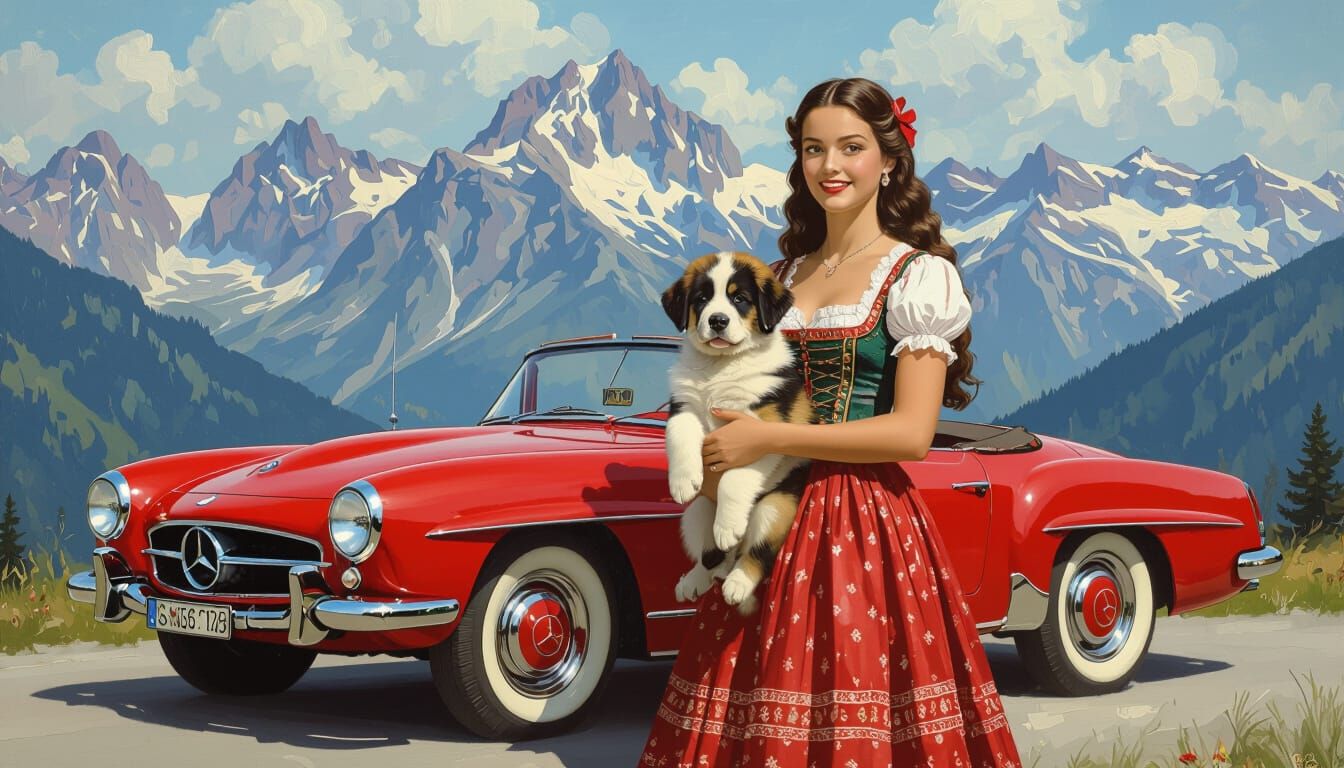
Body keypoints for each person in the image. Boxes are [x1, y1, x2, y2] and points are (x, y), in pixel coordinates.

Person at [638, 78, 1023, 767]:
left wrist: (769, 437)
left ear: (890, 160)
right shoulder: (777, 273)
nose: (830, 166)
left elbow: (911, 434)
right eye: (814, 149)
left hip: (861, 524)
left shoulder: (917, 276)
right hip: (762, 508)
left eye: (851, 147)